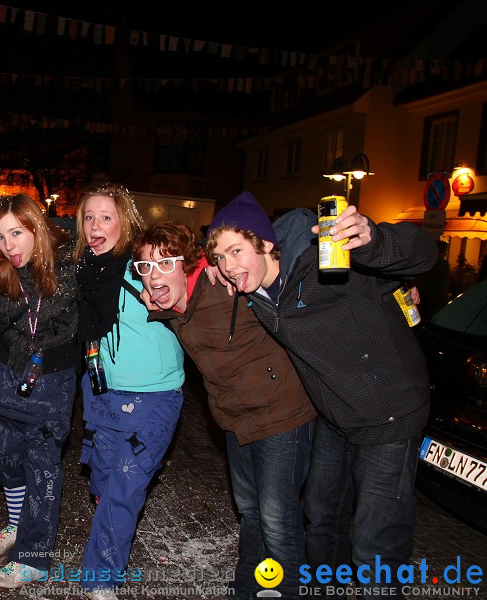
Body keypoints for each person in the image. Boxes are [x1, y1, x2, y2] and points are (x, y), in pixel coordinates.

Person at [205, 192, 437, 599]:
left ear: (265, 243)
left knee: (373, 544)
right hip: (333, 413)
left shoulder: (328, 261)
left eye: (236, 250)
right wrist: (210, 271)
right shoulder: (254, 293)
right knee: (322, 521)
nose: (229, 264)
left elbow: (422, 253)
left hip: (390, 411)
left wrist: (374, 240)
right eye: (220, 257)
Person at [133, 221, 316, 600]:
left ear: (190, 265)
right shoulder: (172, 305)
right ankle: (248, 590)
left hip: (282, 415)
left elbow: (292, 234)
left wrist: (228, 264)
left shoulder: (224, 286)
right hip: (235, 422)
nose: (155, 275)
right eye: (147, 267)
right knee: (250, 514)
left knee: (278, 521)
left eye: (166, 263)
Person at [74, 184, 184, 600]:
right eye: (89, 217)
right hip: (100, 389)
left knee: (124, 485)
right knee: (104, 480)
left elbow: (188, 282)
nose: (96, 225)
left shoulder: (143, 266)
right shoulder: (81, 269)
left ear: (125, 223)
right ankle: (110, 524)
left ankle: (100, 580)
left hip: (154, 397)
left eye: (106, 217)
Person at [0, 194, 79, 588]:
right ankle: (16, 525)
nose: (9, 246)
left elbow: (114, 246)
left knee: (41, 469)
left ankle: (34, 557)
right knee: (7, 459)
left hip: (51, 381)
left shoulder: (71, 265)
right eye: (0, 238)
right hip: (5, 373)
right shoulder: (0, 271)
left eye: (17, 233)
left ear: (36, 228)